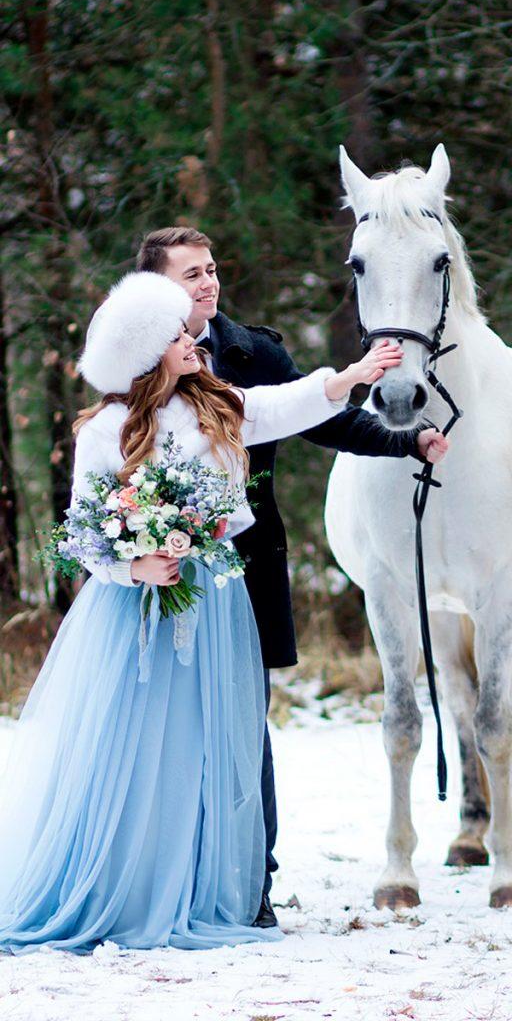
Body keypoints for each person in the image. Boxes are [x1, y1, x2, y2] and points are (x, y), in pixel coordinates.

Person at [0, 270, 407, 956]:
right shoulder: (103, 430)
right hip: (133, 614)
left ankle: (199, 889)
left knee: (208, 745)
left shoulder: (217, 404)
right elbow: (83, 530)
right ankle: (125, 888)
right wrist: (134, 564)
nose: (194, 338)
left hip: (216, 603)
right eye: (178, 334)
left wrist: (353, 375)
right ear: (149, 351)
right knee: (133, 749)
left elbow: (287, 406)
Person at [135, 227, 449, 926]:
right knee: (160, 724)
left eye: (213, 269)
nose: (210, 283)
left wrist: (407, 441)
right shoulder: (129, 363)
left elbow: (320, 417)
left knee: (246, 722)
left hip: (245, 572)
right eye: (192, 275)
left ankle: (253, 882)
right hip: (153, 578)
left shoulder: (253, 352)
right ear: (157, 287)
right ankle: (161, 874)